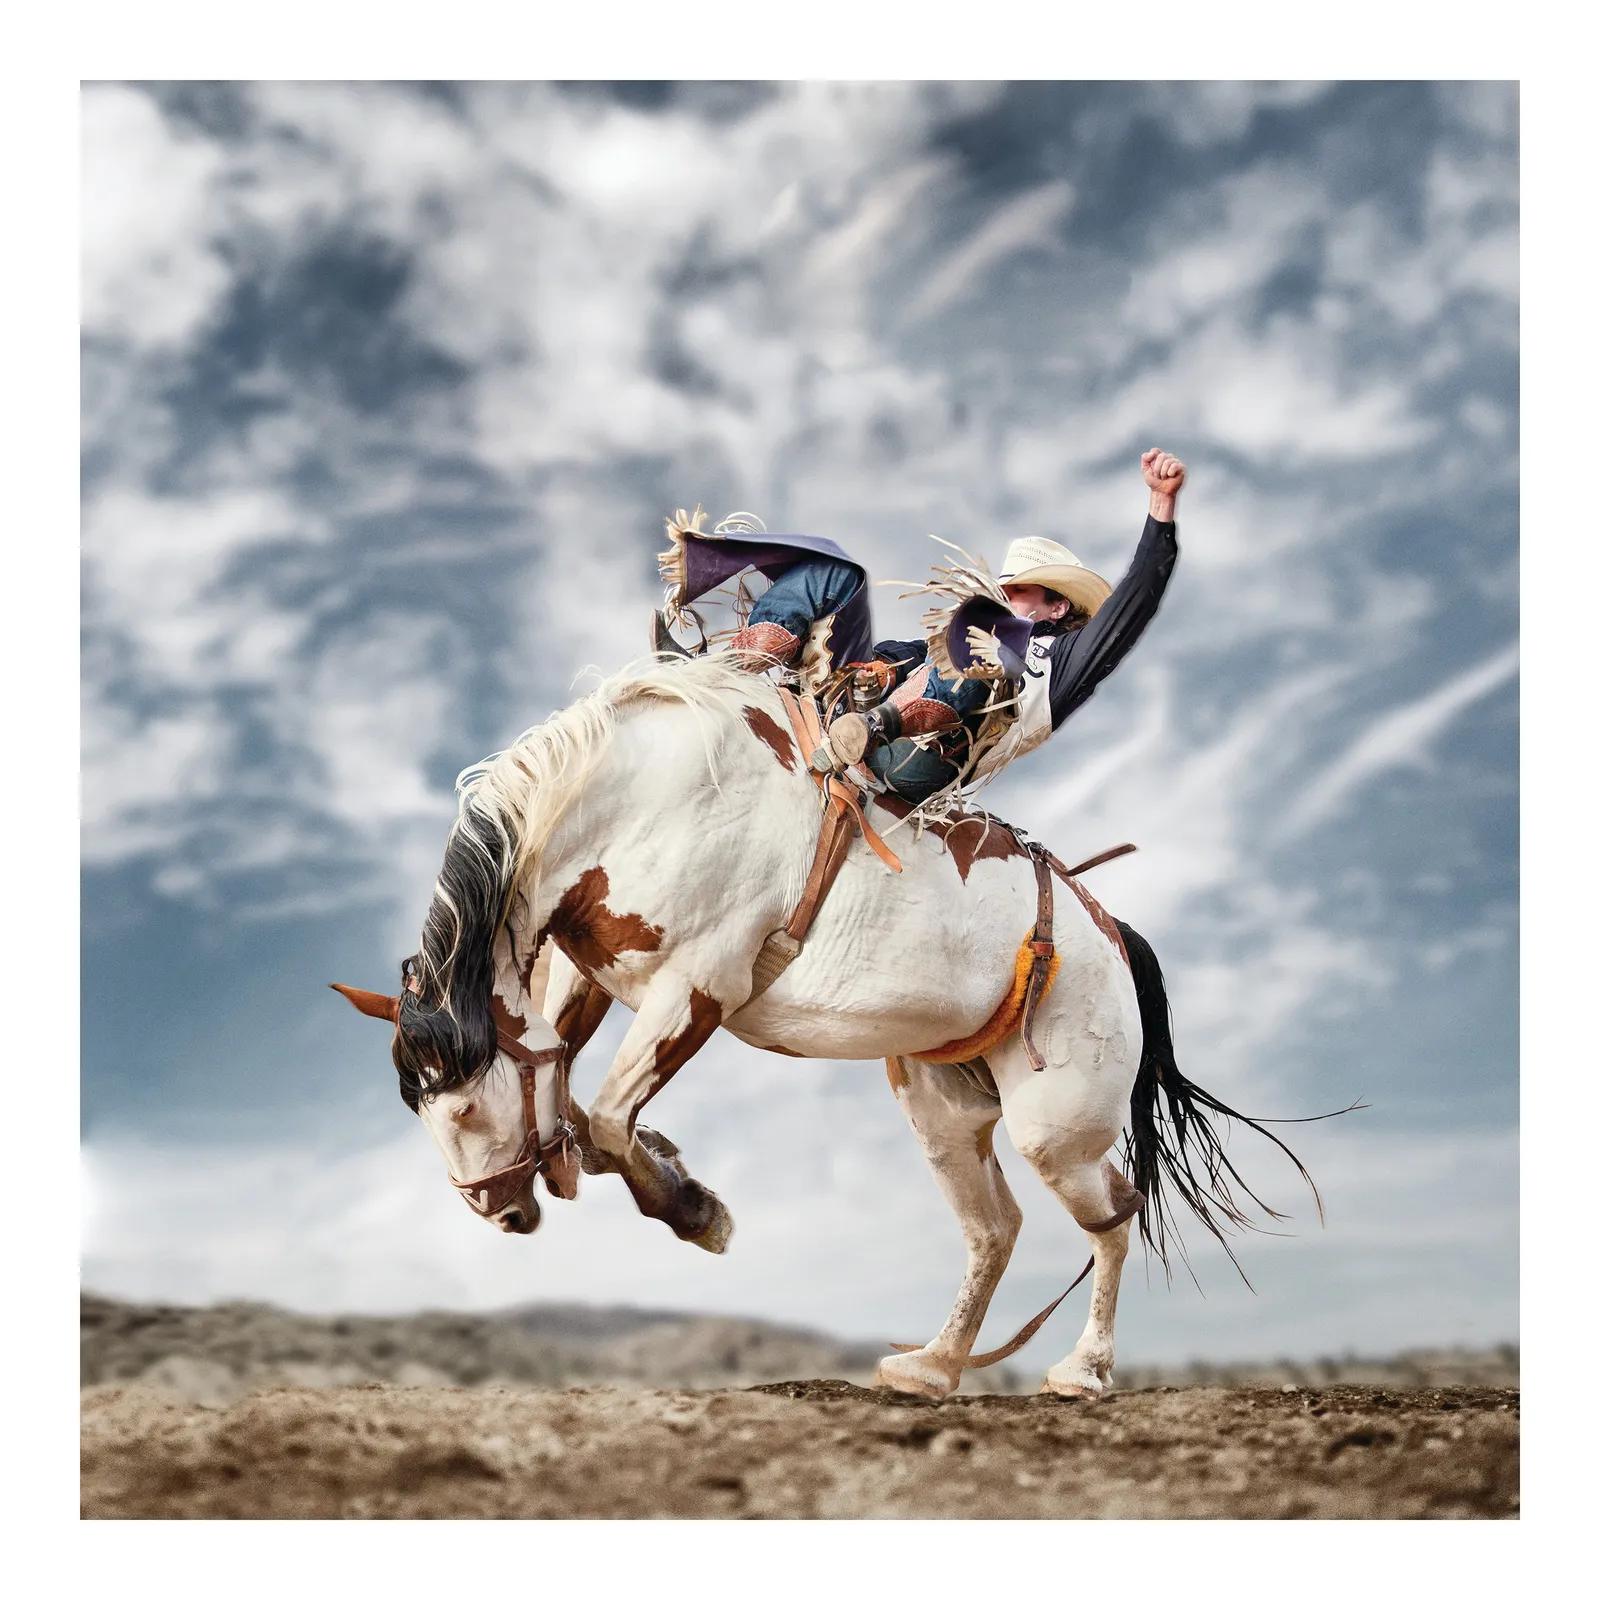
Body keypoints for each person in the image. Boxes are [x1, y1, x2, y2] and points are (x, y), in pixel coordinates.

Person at [652, 447, 1185, 804]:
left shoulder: (1063, 661)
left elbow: (1133, 602)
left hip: (922, 757)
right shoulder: (946, 638)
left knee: (984, 636)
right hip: (853, 704)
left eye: (1019, 588)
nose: (1004, 594)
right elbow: (902, 653)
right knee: (836, 570)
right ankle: (719, 671)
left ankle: (872, 728)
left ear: (1058, 607)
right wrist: (882, 670)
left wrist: (1161, 508)